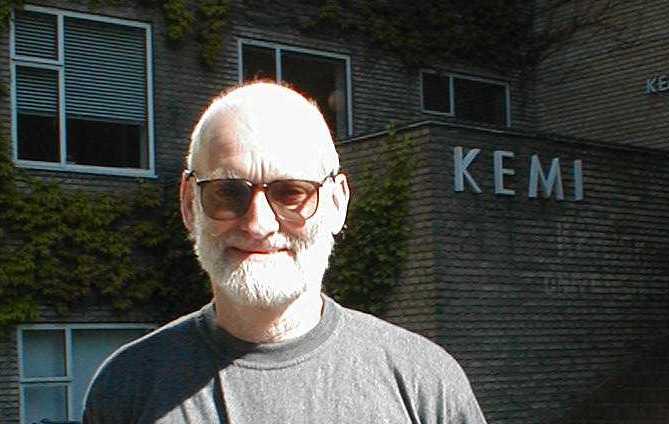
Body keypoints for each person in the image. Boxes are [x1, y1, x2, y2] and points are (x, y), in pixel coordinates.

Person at [82, 82, 487, 423]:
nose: (258, 224)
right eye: (228, 192)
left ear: (337, 204)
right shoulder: (128, 387)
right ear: (189, 204)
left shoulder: (424, 383)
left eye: (291, 192)